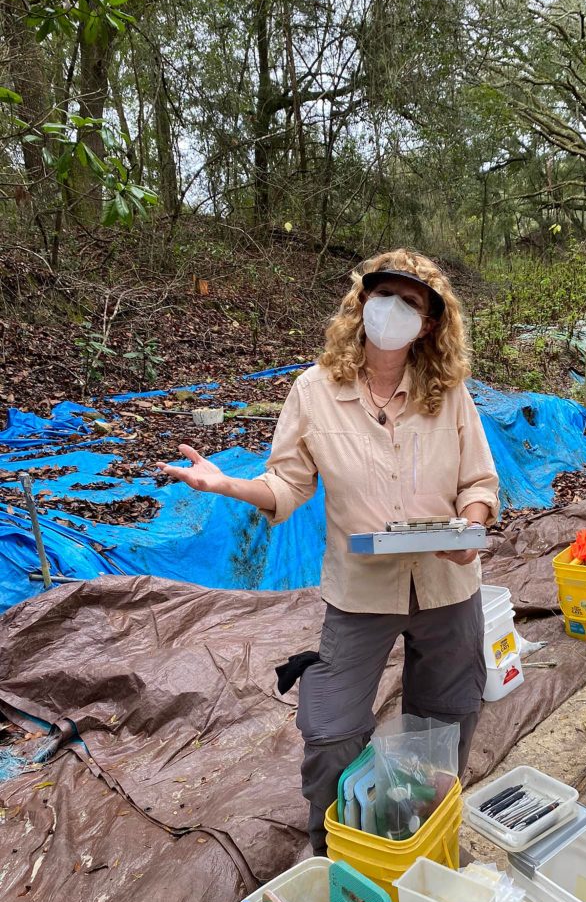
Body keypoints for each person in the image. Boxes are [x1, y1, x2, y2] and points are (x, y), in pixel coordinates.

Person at [158, 248, 500, 854]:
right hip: (360, 589)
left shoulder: (448, 394)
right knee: (331, 729)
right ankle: (335, 845)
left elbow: (479, 482)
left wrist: (469, 530)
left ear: (429, 323)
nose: (393, 310)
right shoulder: (313, 392)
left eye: (411, 302)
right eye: (383, 296)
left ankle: (422, 825)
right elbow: (287, 484)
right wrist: (228, 485)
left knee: (449, 714)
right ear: (362, 304)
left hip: (448, 587)